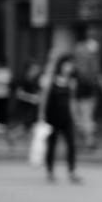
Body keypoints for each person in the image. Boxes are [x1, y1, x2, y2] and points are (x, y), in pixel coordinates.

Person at [39, 54, 82, 184]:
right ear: (61, 65)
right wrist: (41, 115)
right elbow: (44, 98)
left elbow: (72, 101)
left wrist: (76, 117)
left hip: (66, 117)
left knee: (71, 144)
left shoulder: (72, 82)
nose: (69, 68)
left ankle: (72, 171)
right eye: (67, 65)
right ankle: (50, 171)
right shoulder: (50, 80)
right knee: (52, 145)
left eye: (71, 65)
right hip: (52, 117)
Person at [72, 26, 102, 150]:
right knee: (83, 117)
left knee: (83, 117)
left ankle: (88, 141)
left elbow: (98, 74)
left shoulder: (87, 59)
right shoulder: (83, 60)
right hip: (82, 91)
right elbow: (99, 75)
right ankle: (87, 140)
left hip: (85, 91)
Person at [14, 61, 44, 139]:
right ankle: (12, 135)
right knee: (26, 125)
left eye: (37, 69)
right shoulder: (23, 79)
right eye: (34, 69)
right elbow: (19, 94)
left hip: (33, 108)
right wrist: (31, 98)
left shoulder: (36, 81)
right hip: (24, 107)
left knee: (30, 126)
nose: (36, 71)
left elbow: (39, 94)